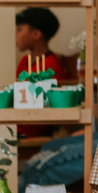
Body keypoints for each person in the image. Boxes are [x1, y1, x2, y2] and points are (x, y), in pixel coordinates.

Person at [15, 7, 68, 138]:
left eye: (19, 30)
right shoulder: (24, 61)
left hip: (29, 131)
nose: (15, 34)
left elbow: (51, 109)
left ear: (36, 34)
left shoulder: (51, 65)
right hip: (16, 124)